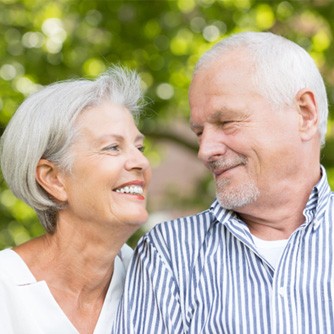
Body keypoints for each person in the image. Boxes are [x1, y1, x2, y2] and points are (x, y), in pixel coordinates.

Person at [113, 32, 334, 333]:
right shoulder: (171, 254)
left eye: (226, 122)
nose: (205, 151)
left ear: (305, 114)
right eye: (200, 132)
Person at [0, 65, 151, 334]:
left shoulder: (157, 282)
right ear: (53, 179)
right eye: (113, 147)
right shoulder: (5, 289)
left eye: (139, 147)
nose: (141, 161)